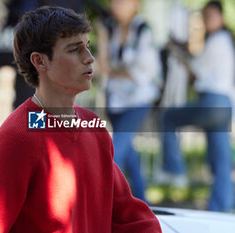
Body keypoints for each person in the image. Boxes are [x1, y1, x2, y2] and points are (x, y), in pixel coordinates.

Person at [0, 6, 161, 233]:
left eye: (87, 46)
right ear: (40, 61)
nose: (89, 58)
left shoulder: (93, 128)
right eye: (74, 50)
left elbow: (132, 218)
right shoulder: (16, 139)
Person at [161, 1, 234, 212]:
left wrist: (179, 53)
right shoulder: (224, 41)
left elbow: (196, 71)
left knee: (168, 118)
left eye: (210, 16)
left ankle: (174, 170)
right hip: (224, 106)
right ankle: (221, 207)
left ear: (221, 17)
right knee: (221, 161)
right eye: (204, 16)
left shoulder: (217, 41)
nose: (206, 20)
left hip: (212, 102)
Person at [97, 0, 161, 202]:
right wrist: (102, 37)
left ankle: (103, 203)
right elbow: (103, 67)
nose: (117, 5)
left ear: (135, 4)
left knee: (115, 152)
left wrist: (115, 72)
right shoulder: (111, 29)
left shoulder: (143, 30)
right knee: (130, 158)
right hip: (115, 101)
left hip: (139, 101)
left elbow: (143, 72)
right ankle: (144, 204)